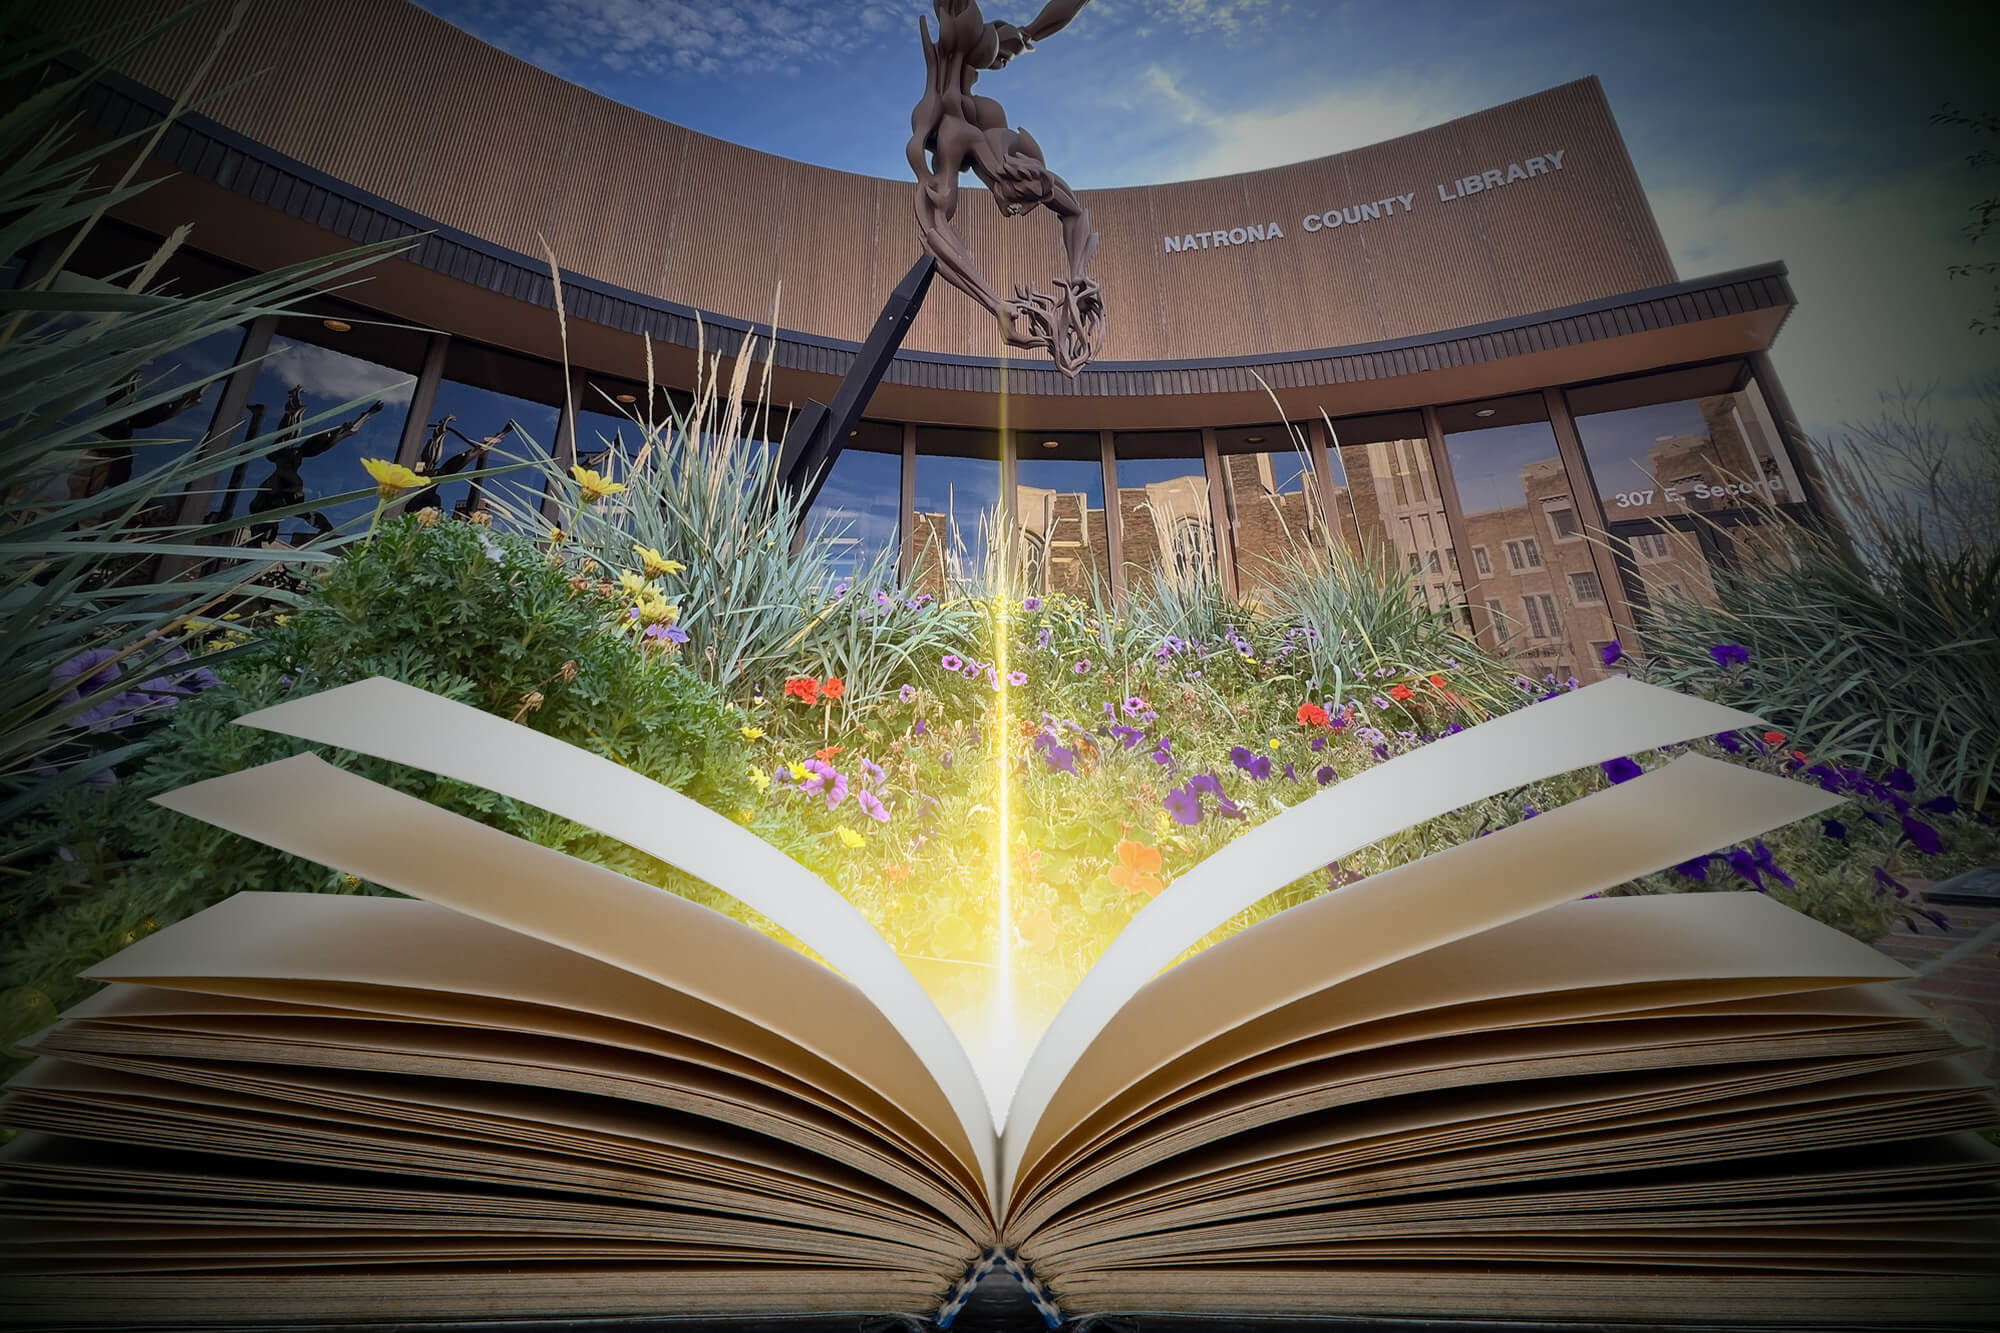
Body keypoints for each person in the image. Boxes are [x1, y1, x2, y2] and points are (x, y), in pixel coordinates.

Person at [908, 0, 1103, 375]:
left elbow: (1074, 212)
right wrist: (993, 302)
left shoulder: (1005, 135)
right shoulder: (951, 130)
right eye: (1016, 202)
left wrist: (1078, 272)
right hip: (951, 84)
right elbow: (934, 230)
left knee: (1027, 34)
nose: (1014, 212)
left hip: (975, 100)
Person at [247, 385, 383, 544]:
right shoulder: (284, 497)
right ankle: (294, 411)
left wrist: (327, 530)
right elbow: (310, 515)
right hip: (286, 476)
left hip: (284, 474)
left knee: (286, 450)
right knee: (292, 449)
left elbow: (309, 515)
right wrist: (328, 531)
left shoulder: (264, 503)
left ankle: (293, 410)